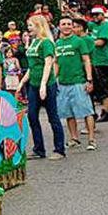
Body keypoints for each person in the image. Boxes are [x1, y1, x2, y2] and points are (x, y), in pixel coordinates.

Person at [19, 15, 65, 160]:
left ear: (39, 26)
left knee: (53, 117)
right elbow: (32, 67)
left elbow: (48, 64)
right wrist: (21, 83)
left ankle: (59, 149)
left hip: (47, 85)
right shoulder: (33, 43)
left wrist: (44, 84)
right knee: (32, 115)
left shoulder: (47, 43)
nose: (28, 28)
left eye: (31, 25)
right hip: (33, 84)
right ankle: (39, 149)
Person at [55, 14, 97, 150]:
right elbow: (56, 63)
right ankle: (74, 138)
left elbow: (86, 60)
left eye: (69, 24)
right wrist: (53, 80)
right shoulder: (57, 43)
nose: (67, 27)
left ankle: (91, 140)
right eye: (64, 24)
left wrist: (89, 80)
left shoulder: (79, 41)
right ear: (59, 27)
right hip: (63, 83)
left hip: (78, 81)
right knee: (68, 113)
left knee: (87, 111)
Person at [88, 7, 108, 122]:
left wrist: (87, 42)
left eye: (97, 15)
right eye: (93, 15)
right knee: (99, 88)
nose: (95, 17)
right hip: (95, 60)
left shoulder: (105, 26)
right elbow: (82, 22)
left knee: (104, 88)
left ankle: (105, 112)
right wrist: (71, 12)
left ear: (103, 15)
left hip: (103, 61)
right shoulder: (94, 25)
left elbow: (100, 42)